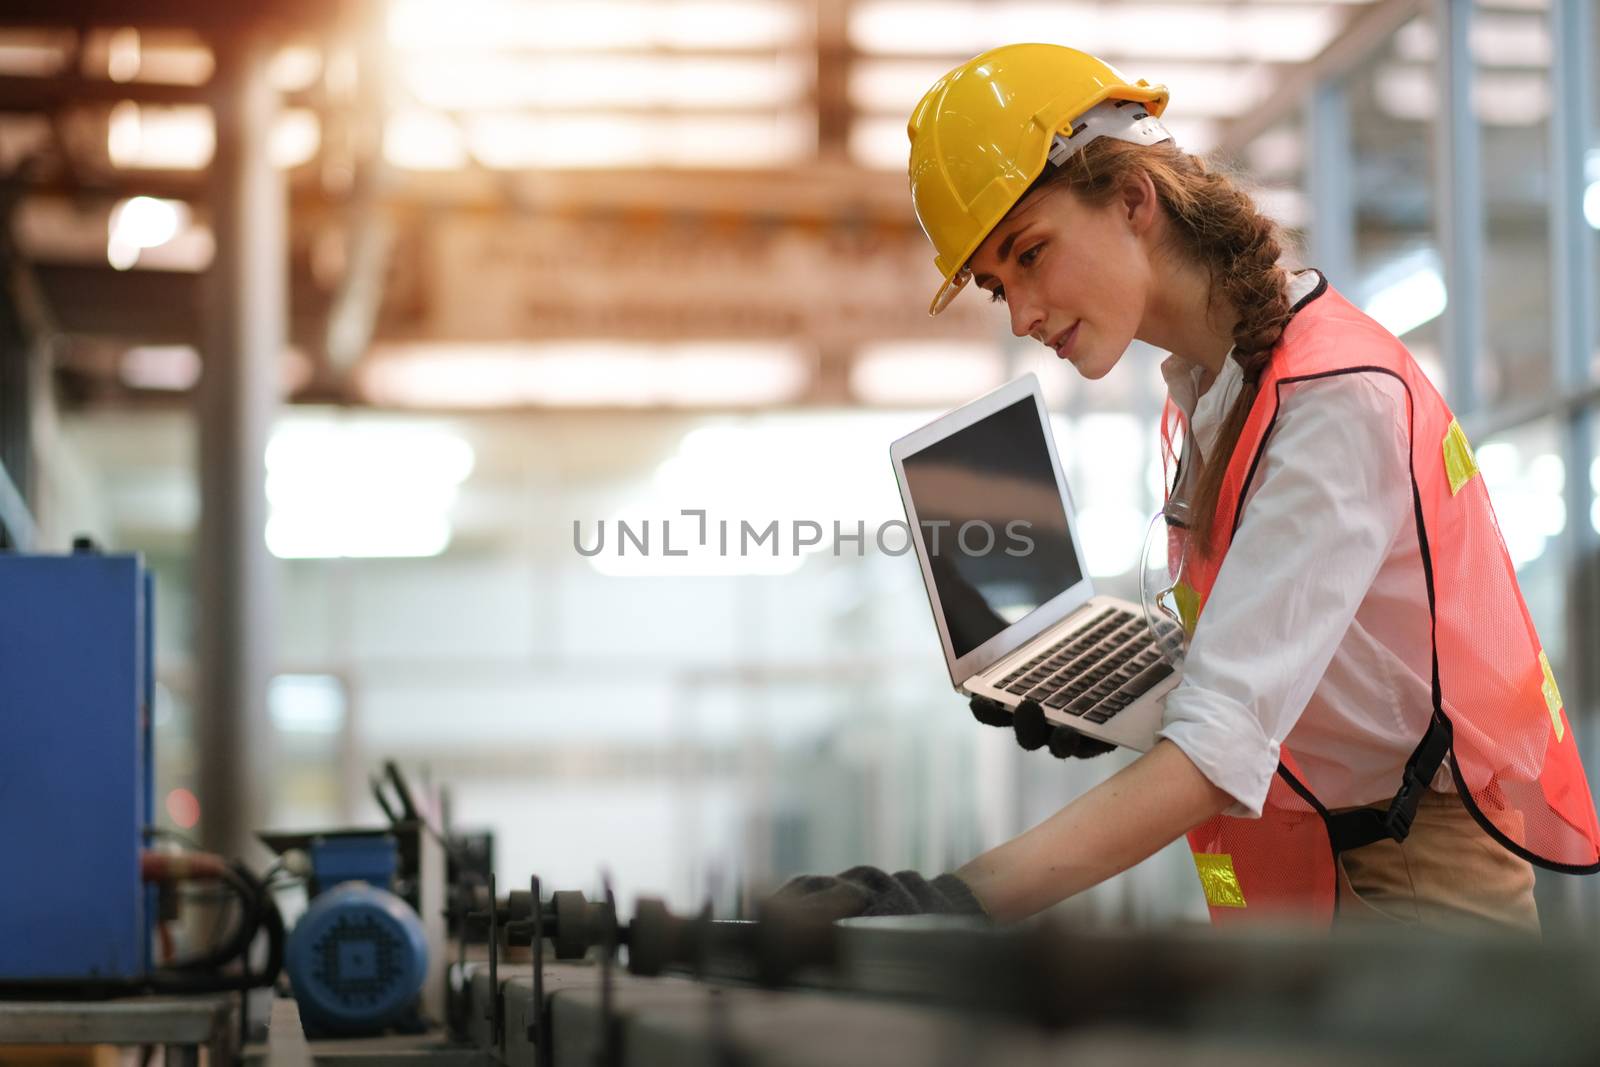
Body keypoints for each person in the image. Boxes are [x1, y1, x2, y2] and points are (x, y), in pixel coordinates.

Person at [778, 43, 1600, 934]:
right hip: (1322, 869)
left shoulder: (1332, 401)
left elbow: (1217, 751)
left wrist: (952, 901)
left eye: (1031, 253)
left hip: (1410, 892)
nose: (1022, 314)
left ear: (1135, 199)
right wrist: (1132, 696)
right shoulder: (1214, 391)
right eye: (996, 287)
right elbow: (1292, 670)